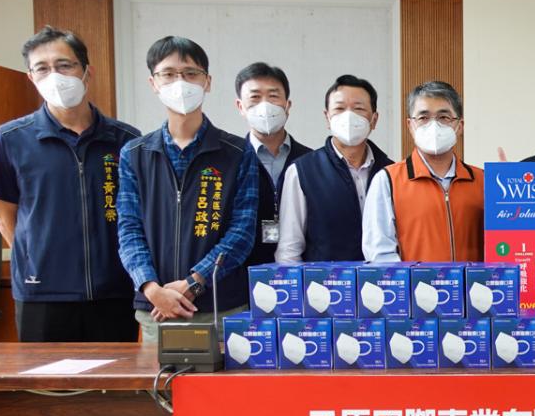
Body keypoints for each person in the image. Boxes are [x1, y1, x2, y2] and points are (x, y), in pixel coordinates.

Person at [0, 26, 141, 342]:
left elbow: (138, 216)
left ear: (87, 72)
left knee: (115, 375)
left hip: (114, 289)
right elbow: (3, 217)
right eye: (42, 68)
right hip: (42, 293)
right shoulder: (10, 139)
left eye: (64, 65)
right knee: (46, 374)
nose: (54, 75)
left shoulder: (126, 140)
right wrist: (36, 260)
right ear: (31, 77)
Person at [117, 36, 258, 344]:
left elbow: (242, 231)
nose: (180, 83)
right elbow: (129, 230)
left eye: (191, 73)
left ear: (207, 82)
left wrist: (195, 281)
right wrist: (151, 288)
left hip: (221, 306)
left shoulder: (237, 151)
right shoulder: (135, 153)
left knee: (224, 378)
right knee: (159, 377)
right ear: (153, 83)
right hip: (158, 308)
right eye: (168, 74)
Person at [275, 75, 392, 263]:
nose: (349, 116)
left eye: (359, 109)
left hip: (381, 279)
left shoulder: (391, 172)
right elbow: (289, 250)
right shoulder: (302, 171)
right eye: (339, 108)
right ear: (327, 118)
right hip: (324, 281)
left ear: (374, 119)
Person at [363, 81, 483, 262]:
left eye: (444, 117)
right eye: (423, 118)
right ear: (410, 126)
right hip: (416, 282)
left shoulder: (483, 181)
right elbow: (380, 255)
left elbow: (502, 243)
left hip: (474, 281)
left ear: (460, 126)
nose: (433, 126)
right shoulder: (388, 181)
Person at [234, 62, 312, 266]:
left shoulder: (310, 161)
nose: (265, 105)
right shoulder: (231, 160)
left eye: (273, 96)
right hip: (245, 270)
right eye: (255, 97)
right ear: (240, 107)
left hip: (299, 269)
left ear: (287, 105)